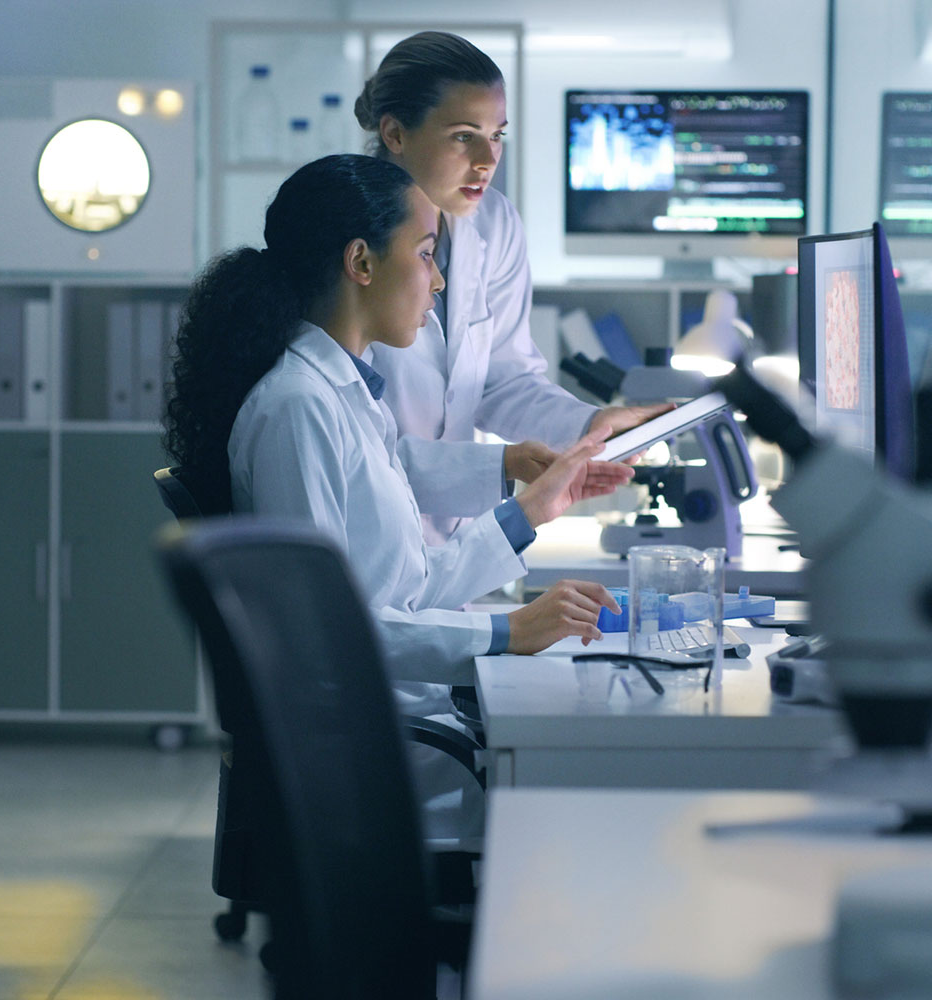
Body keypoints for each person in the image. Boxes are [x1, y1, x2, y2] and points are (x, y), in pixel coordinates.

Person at [164, 154, 629, 840]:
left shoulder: (344, 392)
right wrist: (508, 632)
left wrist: (532, 510)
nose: (438, 282)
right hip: (377, 750)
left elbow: (402, 586)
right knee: (600, 793)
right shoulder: (297, 407)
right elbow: (325, 635)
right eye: (426, 253)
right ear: (361, 262)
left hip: (405, 718)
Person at [355, 31, 672, 542]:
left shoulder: (494, 224)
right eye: (463, 135)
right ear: (394, 133)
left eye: (497, 135)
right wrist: (502, 465)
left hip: (447, 541)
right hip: (361, 535)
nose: (487, 159)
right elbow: (343, 443)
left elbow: (504, 381)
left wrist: (591, 425)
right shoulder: (347, 238)